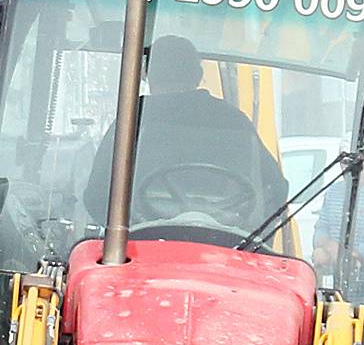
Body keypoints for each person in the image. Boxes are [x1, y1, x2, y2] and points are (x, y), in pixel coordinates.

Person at [84, 34, 289, 234]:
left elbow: (96, 195)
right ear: (198, 76)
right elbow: (276, 189)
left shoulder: (132, 119)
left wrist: (130, 233)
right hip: (223, 252)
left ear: (147, 74)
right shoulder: (235, 121)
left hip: (144, 252)